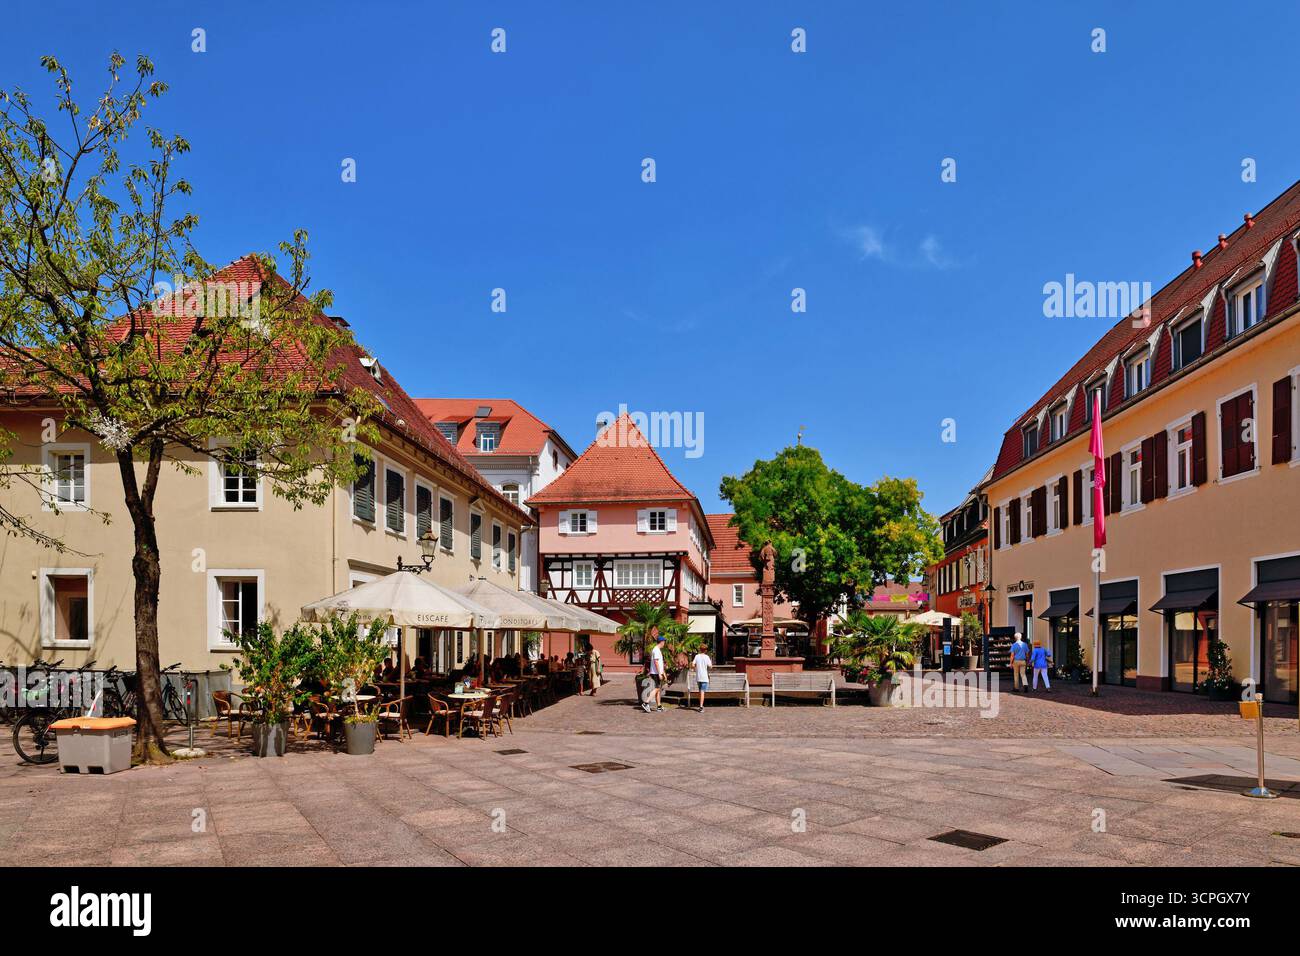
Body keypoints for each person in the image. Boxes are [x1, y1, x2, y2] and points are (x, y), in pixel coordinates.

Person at [645, 629, 667, 712]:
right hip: (656, 673)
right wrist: (659, 674)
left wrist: (663, 673)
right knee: (657, 689)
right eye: (664, 642)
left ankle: (659, 706)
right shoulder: (656, 650)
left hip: (657, 672)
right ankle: (646, 703)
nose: (664, 643)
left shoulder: (657, 650)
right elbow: (656, 662)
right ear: (661, 642)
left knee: (658, 689)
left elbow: (660, 663)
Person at [691, 644, 712, 712]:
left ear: (700, 649)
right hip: (704, 677)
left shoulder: (697, 656)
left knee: (700, 691)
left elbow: (692, 664)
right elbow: (710, 666)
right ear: (705, 650)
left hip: (698, 676)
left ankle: (701, 705)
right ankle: (701, 706)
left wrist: (695, 668)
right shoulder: (707, 657)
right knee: (702, 692)